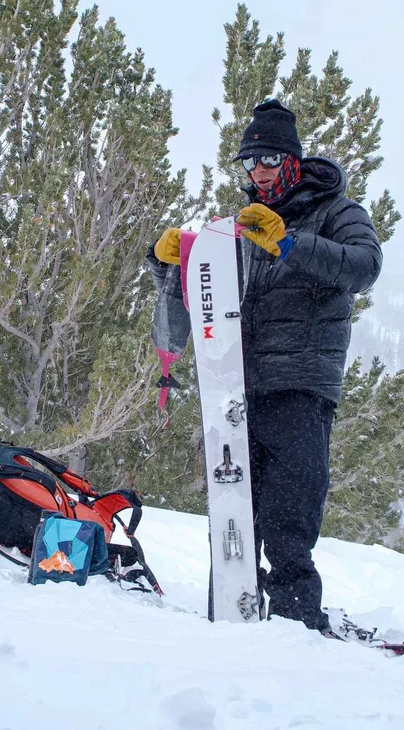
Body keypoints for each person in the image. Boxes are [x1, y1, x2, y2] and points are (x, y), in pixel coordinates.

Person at [149, 98, 382, 633]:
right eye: (249, 163)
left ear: (293, 161)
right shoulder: (244, 224)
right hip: (235, 388)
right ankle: (227, 622)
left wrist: (291, 243)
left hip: (301, 387)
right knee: (232, 518)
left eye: (269, 161)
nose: (258, 172)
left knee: (289, 524)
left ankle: (296, 631)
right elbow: (204, 294)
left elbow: (365, 266)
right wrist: (167, 261)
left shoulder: (337, 210)